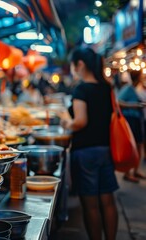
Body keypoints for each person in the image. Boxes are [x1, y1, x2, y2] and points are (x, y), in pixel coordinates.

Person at [58, 47, 118, 240]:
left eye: (73, 65)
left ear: (80, 64)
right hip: (105, 149)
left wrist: (65, 120)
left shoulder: (82, 89)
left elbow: (80, 122)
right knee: (108, 201)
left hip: (85, 153)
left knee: (90, 205)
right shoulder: (106, 87)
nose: (73, 69)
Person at [118, 71, 145, 182]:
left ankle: (135, 171)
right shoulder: (128, 88)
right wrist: (135, 105)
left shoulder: (135, 88)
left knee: (139, 145)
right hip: (131, 120)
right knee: (131, 146)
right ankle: (127, 173)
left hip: (137, 119)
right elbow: (118, 102)